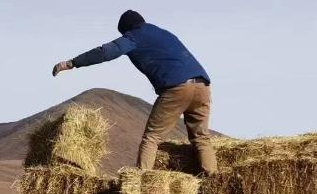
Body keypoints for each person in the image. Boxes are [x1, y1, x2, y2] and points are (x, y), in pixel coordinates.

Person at [52, 9, 217, 175]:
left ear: (127, 28)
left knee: (151, 138)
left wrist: (72, 63)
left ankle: (141, 182)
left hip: (177, 88)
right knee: (201, 137)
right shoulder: (163, 33)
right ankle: (212, 179)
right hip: (202, 85)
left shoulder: (135, 36)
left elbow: (106, 52)